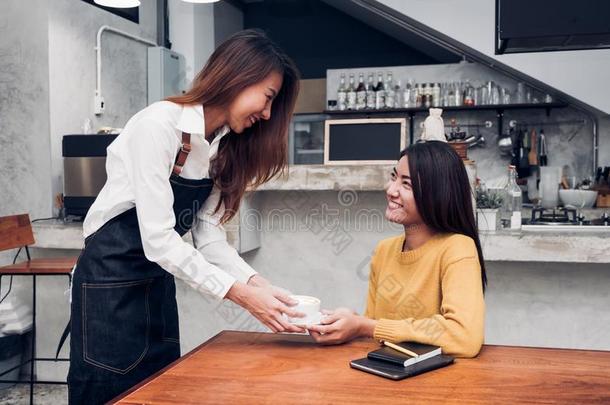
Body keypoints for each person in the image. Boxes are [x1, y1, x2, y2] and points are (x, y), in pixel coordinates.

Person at [67, 29, 305, 404]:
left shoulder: (222, 145)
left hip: (156, 284)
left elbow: (207, 234)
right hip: (108, 284)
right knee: (108, 393)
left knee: (160, 391)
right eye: (268, 97)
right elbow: (160, 240)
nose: (268, 113)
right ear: (239, 76)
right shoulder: (159, 125)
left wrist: (257, 283)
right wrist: (241, 296)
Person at [307, 141, 486, 358]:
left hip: (439, 386)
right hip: (388, 377)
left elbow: (464, 338)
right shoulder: (384, 251)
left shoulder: (457, 248)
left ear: (437, 193)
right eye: (394, 177)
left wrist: (365, 326)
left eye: (406, 184)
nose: (391, 190)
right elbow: (377, 331)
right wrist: (350, 322)